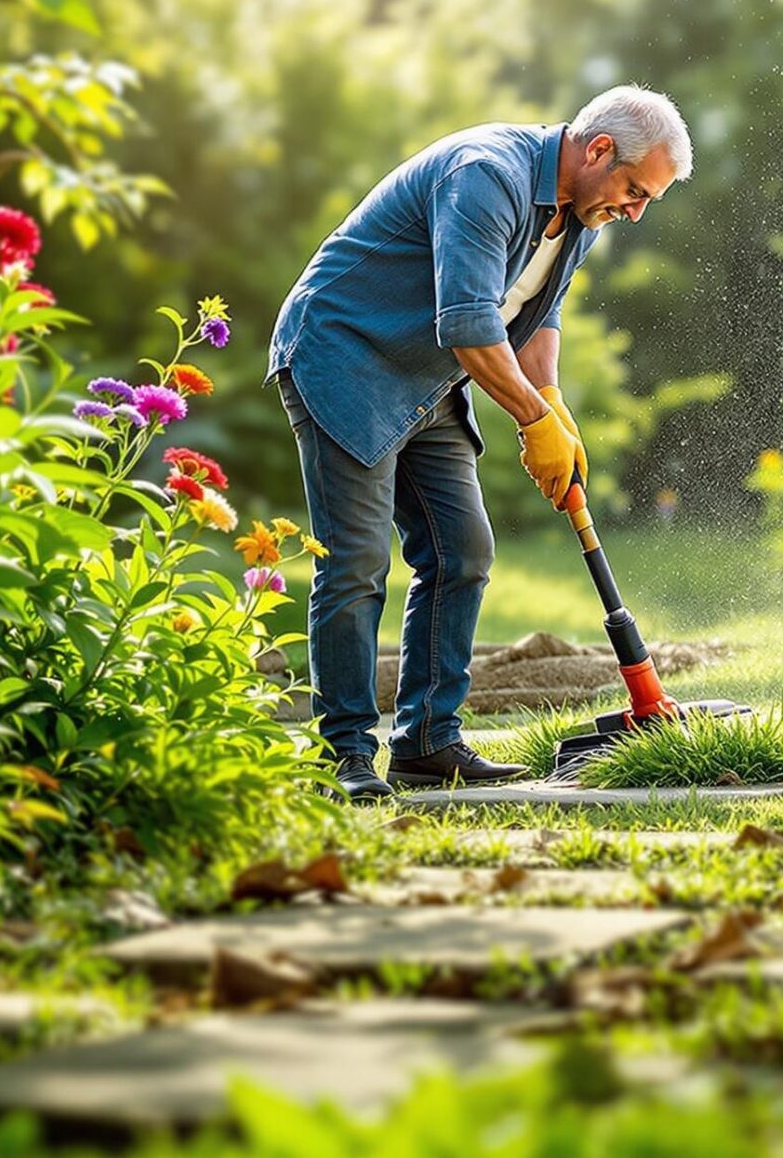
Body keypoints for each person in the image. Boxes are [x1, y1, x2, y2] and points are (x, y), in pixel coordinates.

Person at [266, 86, 691, 798]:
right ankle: (341, 755)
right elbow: (466, 322)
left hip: (424, 378)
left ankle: (427, 742)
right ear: (595, 151)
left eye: (648, 198)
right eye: (634, 189)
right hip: (343, 354)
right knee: (357, 559)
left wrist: (552, 404)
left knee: (463, 549)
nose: (636, 209)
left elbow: (536, 317)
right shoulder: (486, 174)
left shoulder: (579, 213)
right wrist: (530, 420)